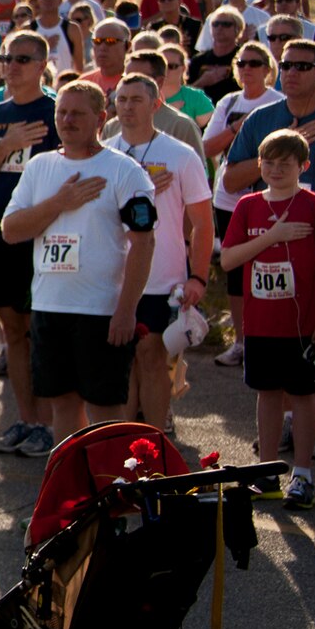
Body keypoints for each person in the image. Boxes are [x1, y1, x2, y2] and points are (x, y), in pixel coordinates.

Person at [0, 81, 157, 443]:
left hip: (101, 310)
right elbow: (10, 229)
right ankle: (72, 489)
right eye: (62, 112)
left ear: (101, 118)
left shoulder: (124, 171)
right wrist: (59, 202)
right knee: (62, 405)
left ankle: (112, 489)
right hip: (49, 306)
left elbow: (144, 243)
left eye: (77, 113)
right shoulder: (40, 166)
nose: (67, 120)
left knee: (105, 409)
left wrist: (126, 310)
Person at [221, 129, 315, 511]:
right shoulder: (248, 206)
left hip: (303, 326)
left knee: (304, 396)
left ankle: (302, 476)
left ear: (302, 166)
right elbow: (228, 260)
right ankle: (267, 472)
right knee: (267, 394)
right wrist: (273, 236)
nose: (275, 170)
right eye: (268, 163)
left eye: (285, 164)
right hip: (261, 324)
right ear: (259, 165)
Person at [0, 31, 59, 452]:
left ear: (42, 65)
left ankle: (52, 426)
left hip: (45, 239)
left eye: (23, 58)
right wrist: (5, 146)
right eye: (6, 57)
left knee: (45, 332)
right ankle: (26, 419)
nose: (12, 65)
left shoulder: (57, 112)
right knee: (13, 332)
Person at [105, 73, 212, 433]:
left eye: (136, 99)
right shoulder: (103, 153)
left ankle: (153, 444)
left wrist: (198, 276)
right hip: (109, 279)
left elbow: (202, 221)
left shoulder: (180, 155)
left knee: (150, 358)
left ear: (156, 104)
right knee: (120, 364)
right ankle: (124, 447)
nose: (127, 107)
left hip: (160, 278)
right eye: (121, 99)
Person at [208, 41, 282, 367]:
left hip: (268, 197)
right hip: (228, 198)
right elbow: (209, 146)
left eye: (255, 62)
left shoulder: (279, 103)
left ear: (268, 69)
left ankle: (274, 338)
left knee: (270, 266)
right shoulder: (228, 102)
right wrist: (238, 126)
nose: (247, 68)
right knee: (235, 272)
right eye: (242, 63)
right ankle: (241, 342)